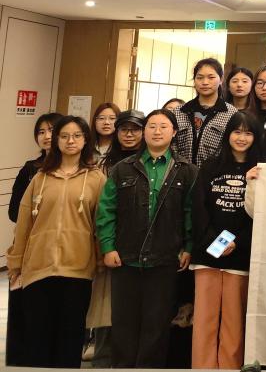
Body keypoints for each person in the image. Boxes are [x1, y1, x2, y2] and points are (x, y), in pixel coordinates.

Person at [95, 108, 198, 368]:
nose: (157, 131)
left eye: (163, 126)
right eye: (151, 126)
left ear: (174, 132)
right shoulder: (122, 169)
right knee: (123, 324)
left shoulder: (187, 171)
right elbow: (106, 210)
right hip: (125, 258)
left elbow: (191, 212)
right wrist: (107, 247)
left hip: (166, 259)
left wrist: (188, 247)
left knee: (157, 327)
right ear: (144, 132)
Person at [7, 115, 105, 368]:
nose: (70, 141)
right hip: (38, 268)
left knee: (70, 337)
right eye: (64, 136)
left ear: (86, 140)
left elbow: (102, 224)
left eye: (77, 136)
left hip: (77, 270)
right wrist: (16, 262)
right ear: (57, 141)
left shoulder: (96, 179)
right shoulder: (40, 178)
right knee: (37, 337)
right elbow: (24, 223)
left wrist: (101, 260)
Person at [191, 111, 263, 369]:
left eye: (248, 133)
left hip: (240, 255)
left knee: (234, 323)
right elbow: (199, 208)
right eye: (237, 132)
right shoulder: (210, 166)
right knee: (204, 321)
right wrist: (216, 243)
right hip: (208, 254)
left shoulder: (260, 170)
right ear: (228, 134)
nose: (242, 138)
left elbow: (260, 214)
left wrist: (236, 243)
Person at [88, 110, 146, 367]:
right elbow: (101, 208)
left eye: (135, 129)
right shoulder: (104, 164)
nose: (129, 134)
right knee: (105, 304)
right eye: (124, 129)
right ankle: (102, 357)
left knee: (133, 307)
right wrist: (104, 244)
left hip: (141, 246)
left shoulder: (149, 160)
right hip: (109, 242)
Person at [6, 112, 59, 367]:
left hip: (62, 249)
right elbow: (13, 211)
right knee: (26, 305)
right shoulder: (30, 169)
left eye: (52, 130)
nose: (46, 136)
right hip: (30, 245)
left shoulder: (81, 170)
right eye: (41, 132)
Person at [170, 58, 240, 167]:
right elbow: (172, 145)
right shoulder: (179, 111)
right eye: (199, 77)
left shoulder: (231, 113)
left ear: (221, 79)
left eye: (211, 77)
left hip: (215, 173)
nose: (205, 82)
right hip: (181, 173)